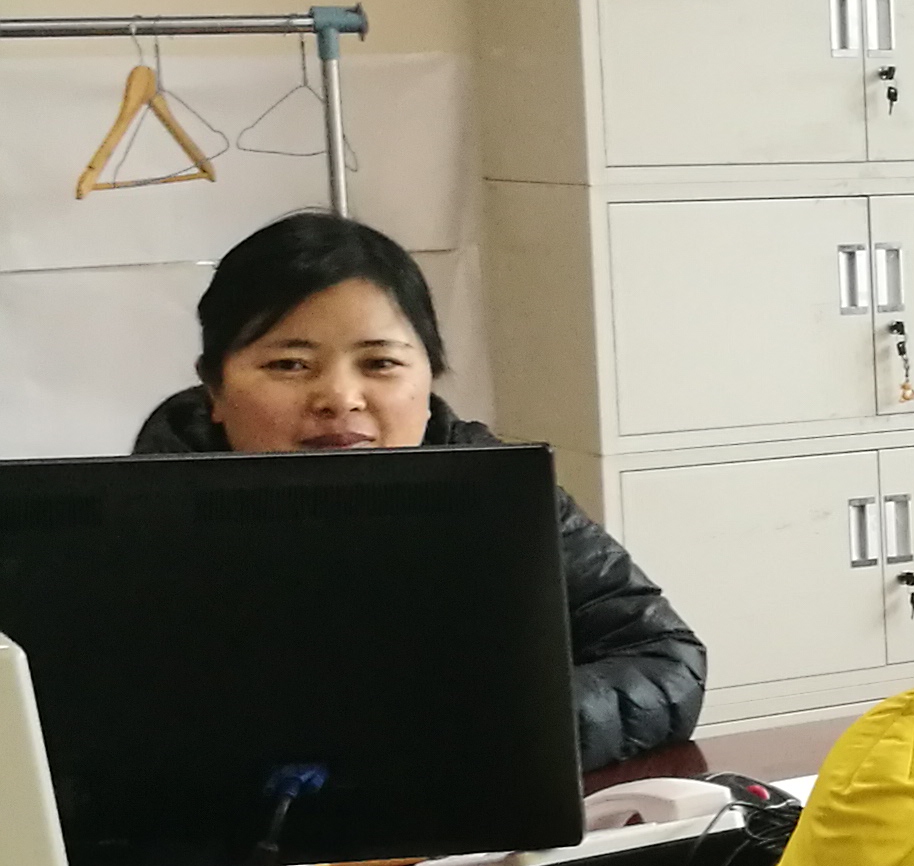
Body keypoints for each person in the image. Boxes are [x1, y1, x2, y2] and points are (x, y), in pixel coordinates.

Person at [132, 212, 705, 772]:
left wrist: (501, 725)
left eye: (380, 362)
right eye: (290, 364)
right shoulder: (136, 518)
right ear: (215, 388)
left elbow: (663, 659)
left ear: (429, 377)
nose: (340, 398)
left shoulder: (496, 491)